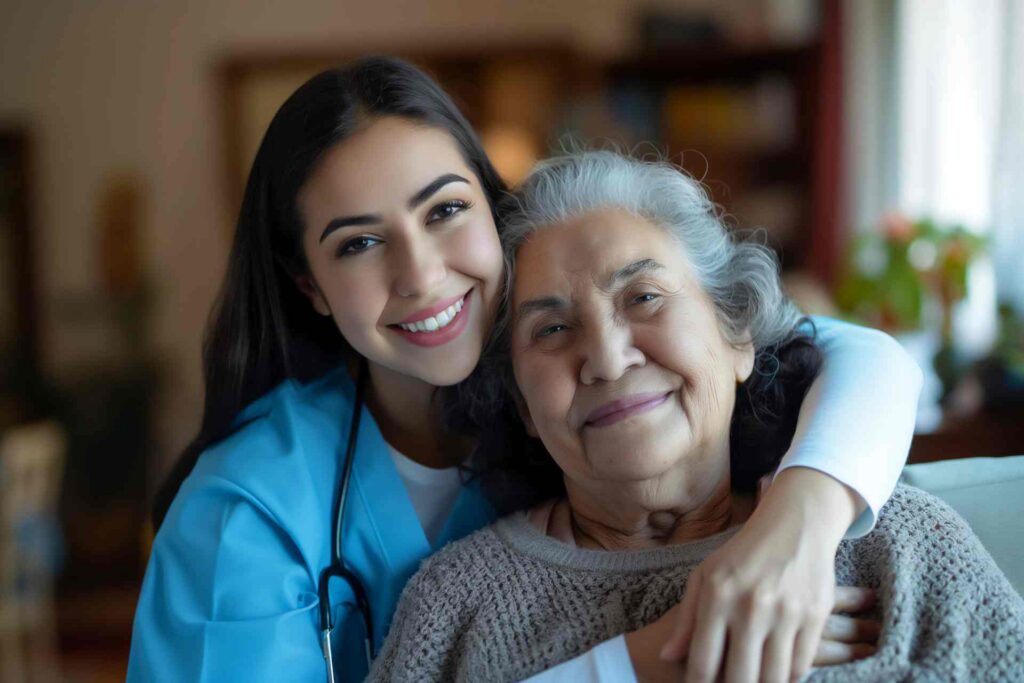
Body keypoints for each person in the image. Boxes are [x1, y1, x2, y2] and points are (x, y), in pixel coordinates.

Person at [127, 58, 923, 682]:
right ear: (312, 288)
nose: (420, 274)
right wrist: (648, 661)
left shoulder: (570, 388)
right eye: (358, 243)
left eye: (444, 211)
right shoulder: (243, 515)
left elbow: (861, 357)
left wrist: (800, 523)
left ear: (495, 213)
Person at [369, 150, 1024, 683]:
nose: (606, 355)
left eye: (644, 296)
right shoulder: (457, 604)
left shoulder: (896, 545)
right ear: (525, 409)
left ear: (738, 333)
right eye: (553, 328)